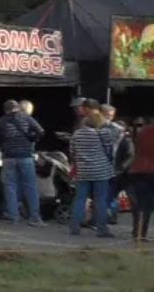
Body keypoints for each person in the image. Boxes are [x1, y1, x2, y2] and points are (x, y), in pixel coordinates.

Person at [66, 101, 123, 239]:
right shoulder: (103, 133)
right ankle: (101, 229)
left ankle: (74, 227)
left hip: (83, 171)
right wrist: (106, 122)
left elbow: (72, 152)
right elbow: (117, 135)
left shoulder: (76, 134)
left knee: (80, 199)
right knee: (100, 200)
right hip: (101, 171)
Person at [0, 96, 47, 223]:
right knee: (30, 186)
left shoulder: (1, 121)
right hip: (26, 156)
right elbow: (41, 132)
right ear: (17, 108)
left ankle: (13, 215)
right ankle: (35, 216)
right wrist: (31, 139)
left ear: (5, 110)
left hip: (9, 157)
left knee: (10, 186)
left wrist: (1, 147)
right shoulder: (27, 118)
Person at [122, 116, 154, 245]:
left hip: (137, 170)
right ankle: (141, 233)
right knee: (148, 205)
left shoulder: (143, 132)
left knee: (141, 204)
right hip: (151, 171)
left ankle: (138, 232)